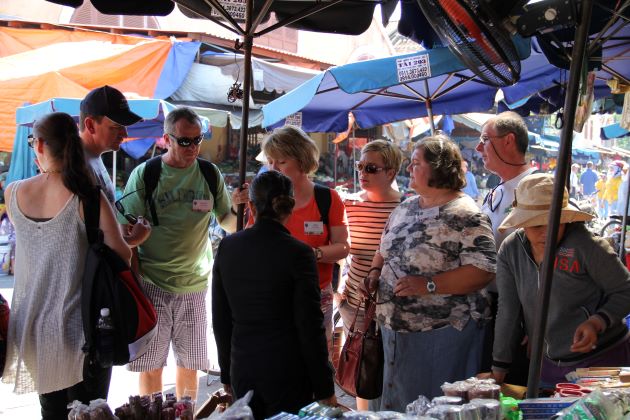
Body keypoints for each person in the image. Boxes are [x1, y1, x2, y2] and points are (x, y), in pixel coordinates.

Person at [1, 112, 131, 419]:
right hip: (83, 327)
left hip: (33, 327)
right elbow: (122, 255)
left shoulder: (14, 192)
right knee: (89, 412)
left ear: (42, 145)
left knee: (52, 411)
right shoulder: (88, 197)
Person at [120, 107, 245, 400]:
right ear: (167, 139)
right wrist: (134, 266)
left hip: (195, 284)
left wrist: (240, 209)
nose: (192, 147)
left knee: (190, 365)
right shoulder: (146, 174)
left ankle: (183, 414)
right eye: (184, 141)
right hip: (152, 283)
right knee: (151, 366)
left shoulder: (208, 173)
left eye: (197, 140)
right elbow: (126, 231)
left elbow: (227, 221)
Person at [364, 135, 496, 409]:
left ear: (438, 168)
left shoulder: (466, 213)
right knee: (397, 407)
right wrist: (375, 273)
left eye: (415, 163)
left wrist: (430, 284)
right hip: (394, 331)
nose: (409, 169)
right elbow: (383, 247)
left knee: (430, 409)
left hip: (441, 334)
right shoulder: (405, 207)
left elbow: (483, 270)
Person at [213, 170, 337, 419]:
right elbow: (309, 325)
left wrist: (226, 372)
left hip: (244, 365)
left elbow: (221, 318)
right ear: (289, 209)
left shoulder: (228, 246)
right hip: (288, 370)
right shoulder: (299, 253)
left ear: (250, 205)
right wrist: (324, 387)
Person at [490, 173, 630, 386]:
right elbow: (507, 309)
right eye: (536, 225)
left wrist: (598, 321)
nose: (547, 232)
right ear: (522, 224)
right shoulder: (511, 250)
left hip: (602, 360)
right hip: (547, 362)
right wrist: (499, 368)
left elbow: (625, 289)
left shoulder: (586, 245)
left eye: (555, 223)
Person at [262, 125, 349, 350]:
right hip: (273, 293)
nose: (273, 167)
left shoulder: (326, 198)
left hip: (316, 294)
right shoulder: (264, 198)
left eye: (281, 161)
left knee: (316, 362)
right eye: (270, 161)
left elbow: (343, 248)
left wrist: (312, 254)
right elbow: (253, 242)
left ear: (301, 161)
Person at [338, 139, 402, 410]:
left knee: (390, 373)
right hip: (354, 302)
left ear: (391, 172)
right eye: (360, 166)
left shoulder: (406, 208)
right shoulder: (348, 204)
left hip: (392, 306)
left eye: (371, 168)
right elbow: (342, 249)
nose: (362, 173)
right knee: (362, 373)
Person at [475, 111, 534, 382]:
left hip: (522, 311)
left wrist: (534, 319)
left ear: (508, 141)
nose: (478, 147)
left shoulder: (536, 187)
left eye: (484, 139)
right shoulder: (496, 190)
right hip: (493, 305)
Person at [79, 85, 151, 247]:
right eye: (116, 127)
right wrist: (134, 239)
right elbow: (86, 241)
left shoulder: (92, 159)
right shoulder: (78, 168)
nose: (125, 134)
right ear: (90, 125)